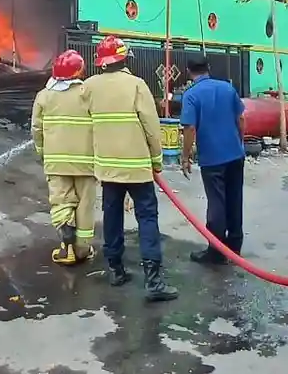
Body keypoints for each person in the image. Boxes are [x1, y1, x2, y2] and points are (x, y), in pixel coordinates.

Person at [83, 35, 177, 302]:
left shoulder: (89, 87)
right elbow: (151, 126)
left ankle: (115, 270)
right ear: (125, 58)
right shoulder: (136, 85)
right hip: (137, 168)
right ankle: (154, 281)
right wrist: (156, 160)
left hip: (108, 168)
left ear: (101, 62)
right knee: (147, 219)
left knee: (111, 217)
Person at [30, 49, 97, 266]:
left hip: (56, 162)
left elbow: (36, 130)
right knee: (85, 204)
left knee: (62, 202)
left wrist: (42, 152)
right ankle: (82, 250)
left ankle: (66, 247)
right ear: (79, 71)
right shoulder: (88, 93)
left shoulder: (44, 96)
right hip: (87, 162)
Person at [178, 55, 247, 264]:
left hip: (212, 158)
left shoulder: (190, 95)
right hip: (235, 154)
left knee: (216, 202)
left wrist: (185, 157)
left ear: (189, 71)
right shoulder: (227, 88)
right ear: (208, 68)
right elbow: (241, 118)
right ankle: (234, 246)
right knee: (235, 198)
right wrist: (240, 142)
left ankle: (216, 251)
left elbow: (189, 127)